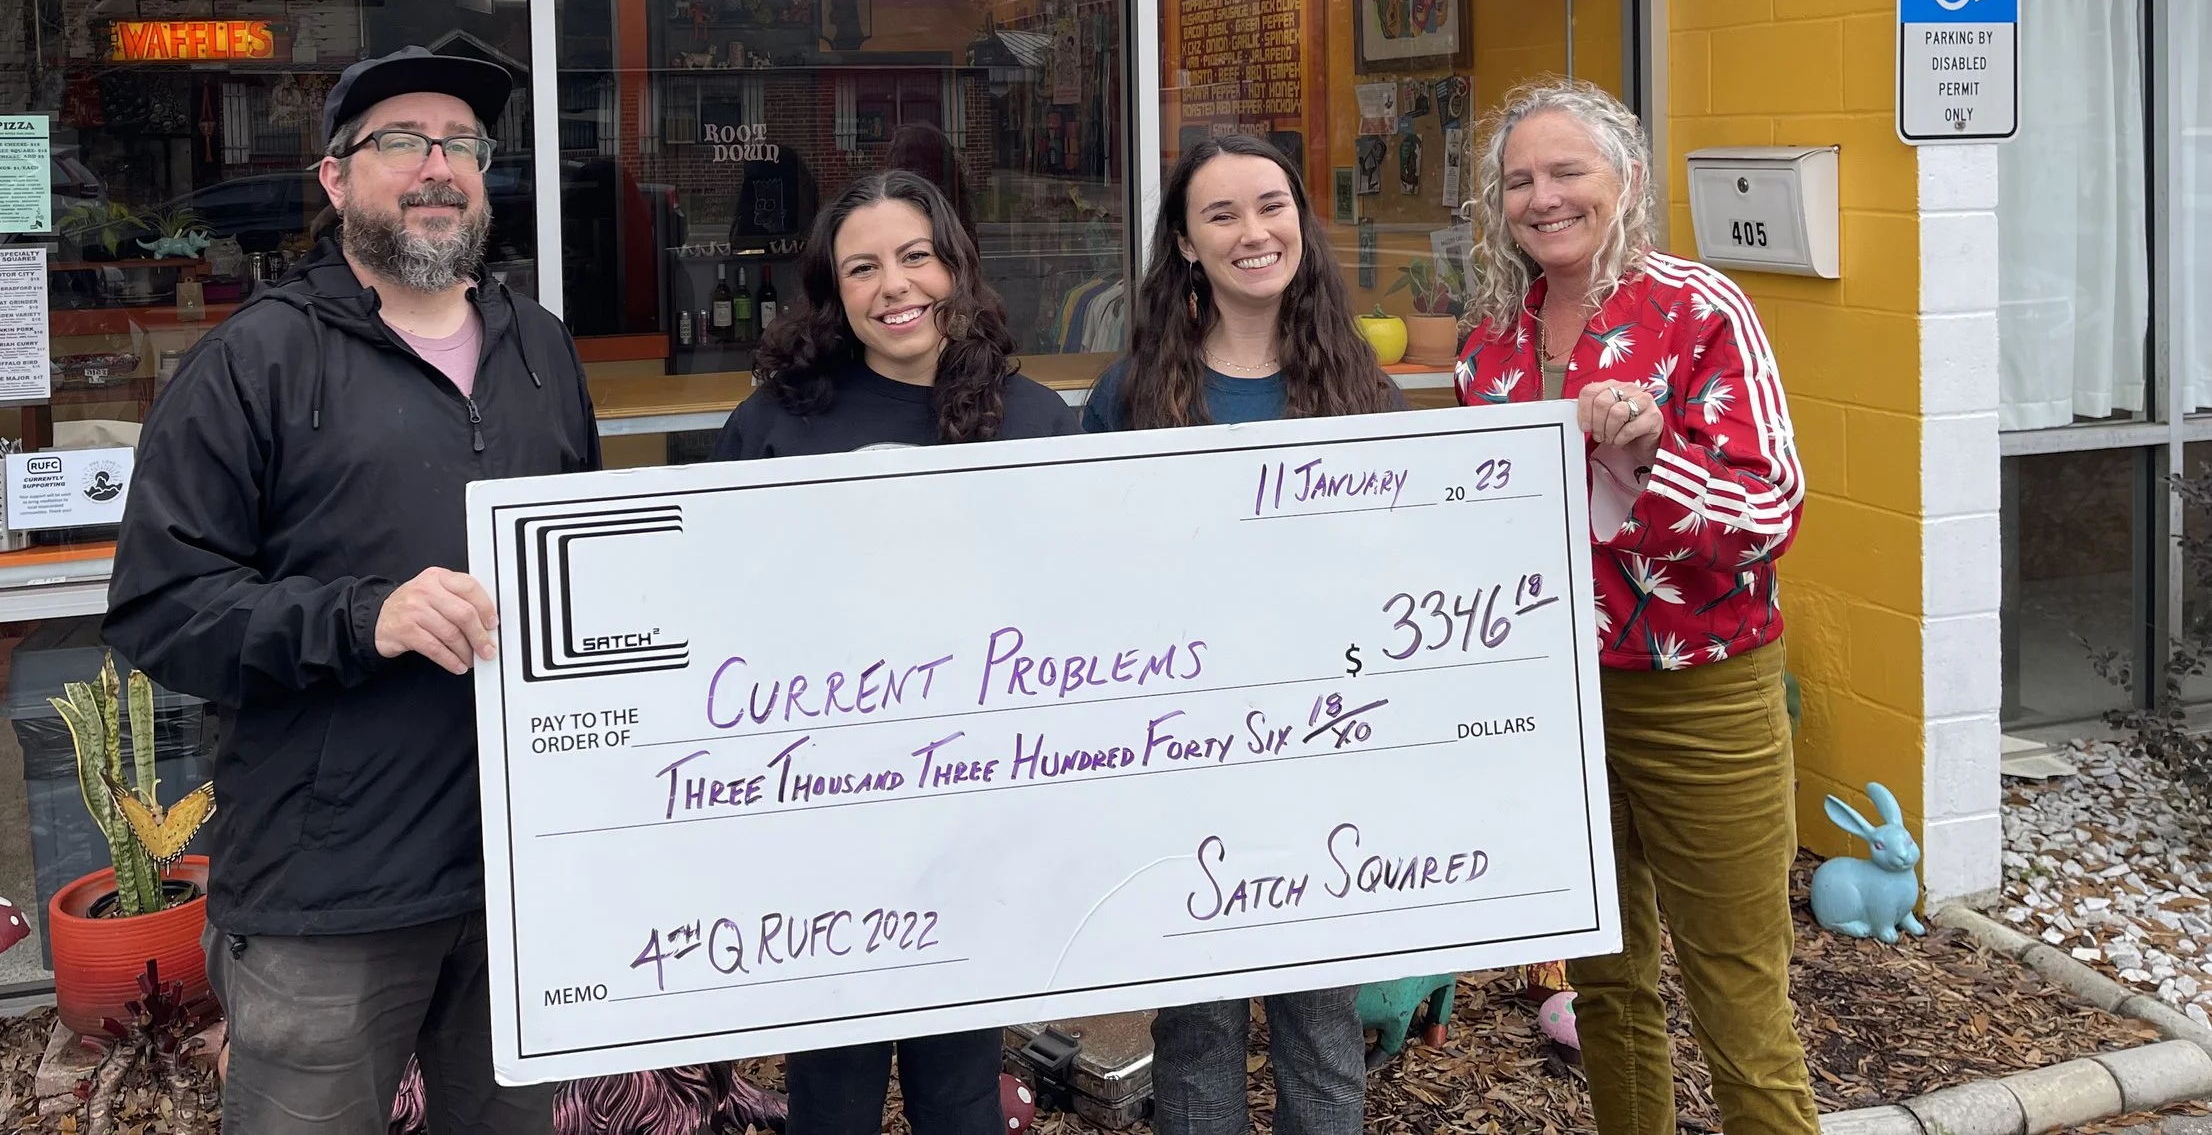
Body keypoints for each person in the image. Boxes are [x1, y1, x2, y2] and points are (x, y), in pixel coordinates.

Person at [106, 45, 602, 1135]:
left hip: (519, 871)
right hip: (327, 891)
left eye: (461, 145)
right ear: (335, 179)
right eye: (402, 143)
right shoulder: (256, 362)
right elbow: (159, 606)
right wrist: (363, 617)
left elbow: (587, 570)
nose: (438, 166)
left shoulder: (542, 352)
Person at [1456, 77, 1813, 1135]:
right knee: (1605, 988)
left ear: (1629, 180)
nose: (1543, 197)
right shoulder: (1489, 341)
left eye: (1567, 171)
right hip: (1556, 697)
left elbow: (1771, 508)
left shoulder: (1701, 310)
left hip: (1699, 695)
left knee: (1739, 997)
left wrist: (1656, 450)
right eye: (1520, 179)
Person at [711, 168, 1079, 1135]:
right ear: (832, 290)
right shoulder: (775, 424)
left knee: (959, 1087)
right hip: (826, 807)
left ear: (956, 264)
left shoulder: (1036, 421)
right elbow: (720, 614)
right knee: (832, 1089)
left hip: (979, 808)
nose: (895, 286)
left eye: (916, 256)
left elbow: (1082, 621)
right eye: (862, 267)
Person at [1081, 133, 1401, 1135]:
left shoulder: (1365, 394)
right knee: (1196, 1030)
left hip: (1326, 759)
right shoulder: (1130, 396)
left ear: (1300, 221)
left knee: (1322, 1025)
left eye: (1271, 205)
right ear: (1185, 242)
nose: (1252, 231)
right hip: (1181, 759)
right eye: (1219, 214)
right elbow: (1084, 584)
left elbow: (1403, 582)